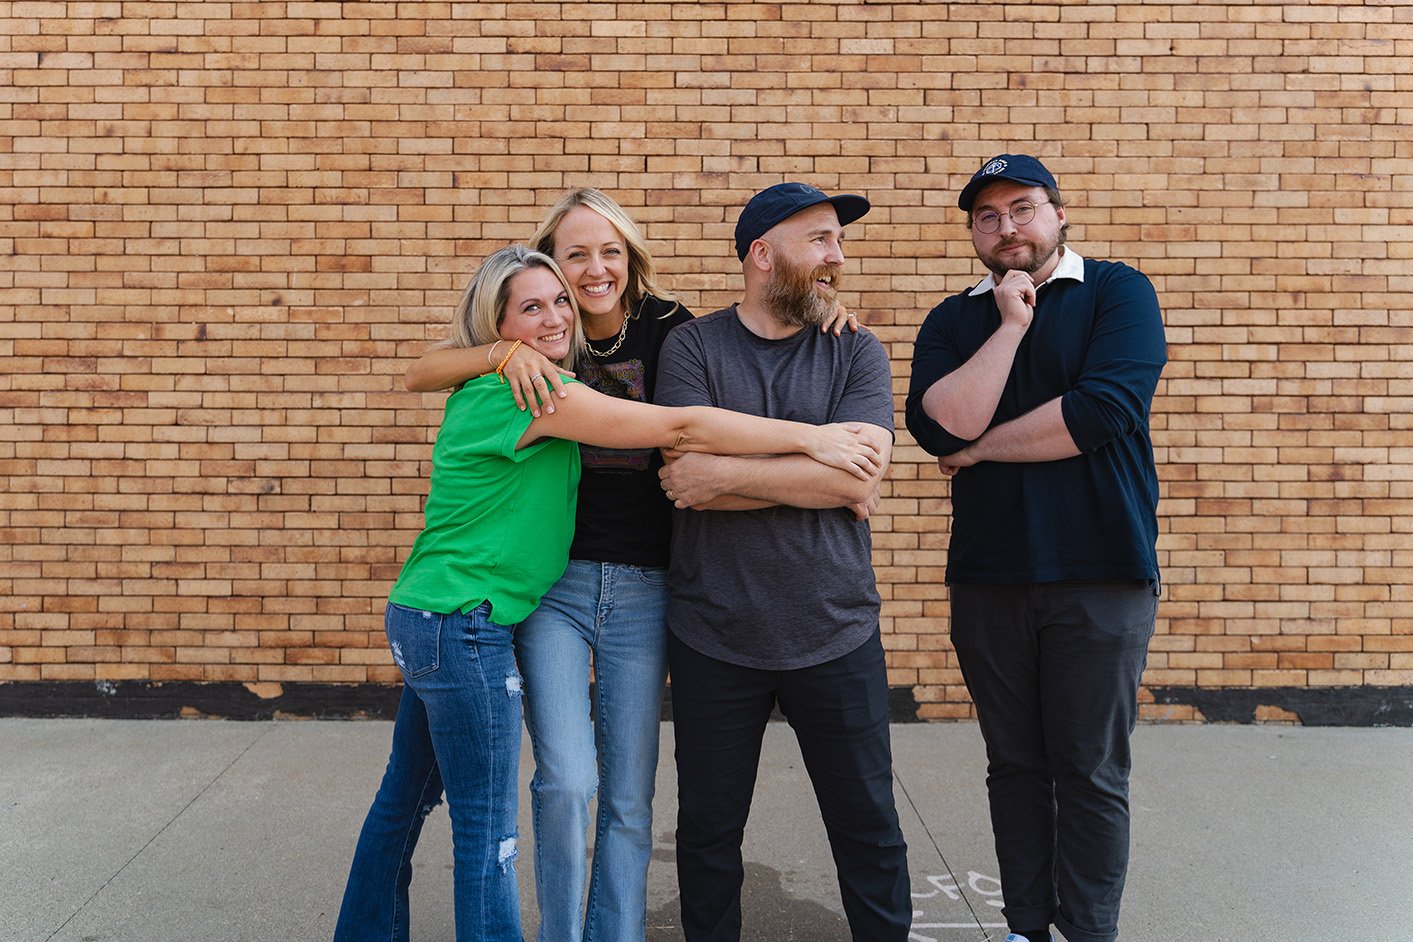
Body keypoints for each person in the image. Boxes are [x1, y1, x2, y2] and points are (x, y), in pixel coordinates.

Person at [334, 244, 882, 942]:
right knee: (487, 830)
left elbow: (432, 367)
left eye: (559, 300)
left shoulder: (511, 380)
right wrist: (816, 440)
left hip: (432, 615)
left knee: (403, 803)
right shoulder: (530, 391)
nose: (556, 315)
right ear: (497, 325)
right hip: (461, 624)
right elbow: (681, 425)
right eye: (530, 307)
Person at [904, 154, 1167, 942]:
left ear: (1058, 213)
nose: (1006, 226)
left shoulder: (1117, 293)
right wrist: (1011, 324)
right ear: (974, 234)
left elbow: (1098, 414)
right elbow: (937, 427)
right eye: (987, 216)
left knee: (1089, 771)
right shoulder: (955, 319)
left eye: (1021, 208)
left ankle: (1087, 932)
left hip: (1100, 571)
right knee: (1014, 767)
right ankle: (1024, 928)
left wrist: (982, 452)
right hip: (990, 577)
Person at [653, 182, 911, 941]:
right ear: (762, 255)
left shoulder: (854, 347)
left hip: (835, 628)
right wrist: (811, 464)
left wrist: (727, 473)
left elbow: (857, 475)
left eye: (838, 240)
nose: (837, 257)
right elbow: (679, 475)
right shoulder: (693, 347)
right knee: (705, 835)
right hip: (714, 632)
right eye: (820, 240)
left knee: (867, 829)